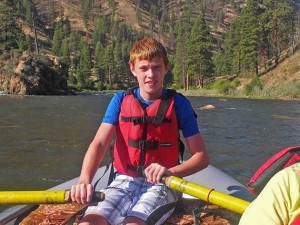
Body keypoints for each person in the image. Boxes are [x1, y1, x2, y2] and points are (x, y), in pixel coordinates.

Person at [70, 38, 209, 225]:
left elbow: (201, 157)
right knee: (89, 223)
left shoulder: (179, 104)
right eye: (144, 68)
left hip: (163, 184)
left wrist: (170, 172)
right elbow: (99, 144)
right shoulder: (119, 101)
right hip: (123, 181)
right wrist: (84, 179)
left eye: (156, 67)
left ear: (166, 68)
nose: (151, 74)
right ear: (133, 69)